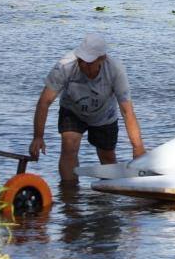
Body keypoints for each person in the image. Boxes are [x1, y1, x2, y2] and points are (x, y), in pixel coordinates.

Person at [29, 34, 145, 183]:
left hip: (104, 114)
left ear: (102, 59)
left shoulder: (115, 70)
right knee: (69, 147)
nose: (84, 66)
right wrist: (38, 136)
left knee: (107, 156)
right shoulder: (65, 66)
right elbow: (44, 102)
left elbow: (127, 111)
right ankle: (69, 195)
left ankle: (108, 198)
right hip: (72, 110)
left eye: (89, 63)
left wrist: (138, 147)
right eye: (81, 61)